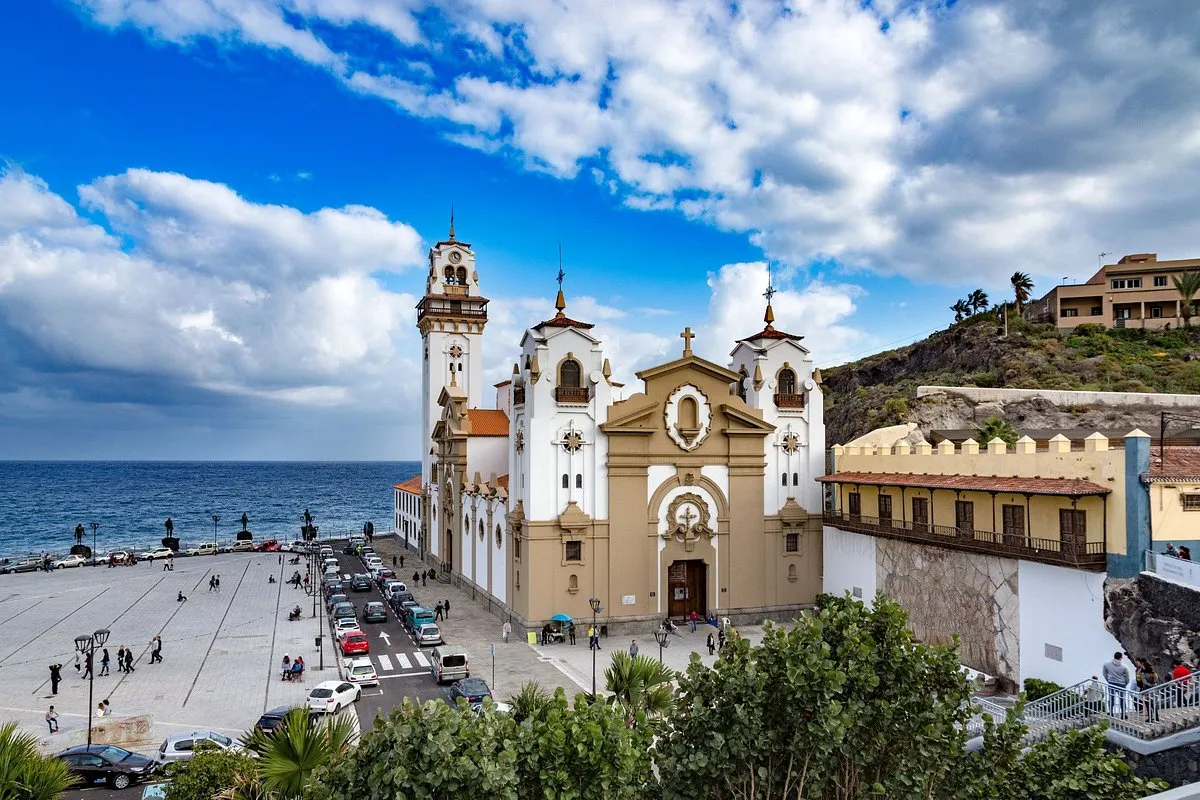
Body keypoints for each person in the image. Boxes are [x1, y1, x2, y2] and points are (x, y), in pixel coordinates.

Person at [1102, 651, 1130, 718]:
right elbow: (1127, 677)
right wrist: (1125, 683)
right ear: (1121, 658)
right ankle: (1123, 714)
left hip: (1112, 683)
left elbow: (1104, 673)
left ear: (1114, 656)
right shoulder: (1124, 666)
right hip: (1121, 684)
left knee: (1111, 698)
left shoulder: (1107, 664)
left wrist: (1108, 680)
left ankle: (1111, 712)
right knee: (1122, 699)